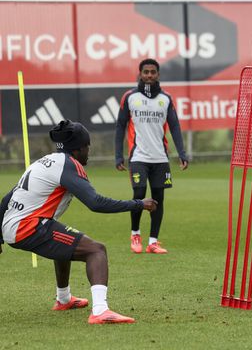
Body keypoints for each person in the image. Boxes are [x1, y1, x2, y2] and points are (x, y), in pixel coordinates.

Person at [0, 120, 157, 324]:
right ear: (78, 149)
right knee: (96, 250)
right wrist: (138, 204)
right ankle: (100, 310)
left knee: (67, 242)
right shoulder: (69, 165)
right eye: (87, 146)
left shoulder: (44, 161)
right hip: (28, 226)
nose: (88, 151)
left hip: (14, 225)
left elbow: (7, 198)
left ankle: (64, 299)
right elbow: (95, 203)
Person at [115, 58, 188, 255]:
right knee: (139, 195)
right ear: (140, 74)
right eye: (145, 72)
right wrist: (118, 156)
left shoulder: (166, 99)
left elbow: (174, 126)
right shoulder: (130, 97)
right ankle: (135, 234)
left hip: (160, 159)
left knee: (158, 199)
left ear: (158, 75)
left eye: (152, 72)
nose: (149, 75)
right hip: (138, 156)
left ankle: (153, 242)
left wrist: (181, 153)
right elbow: (120, 126)